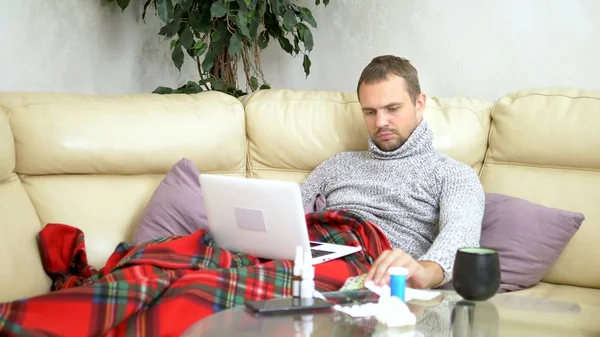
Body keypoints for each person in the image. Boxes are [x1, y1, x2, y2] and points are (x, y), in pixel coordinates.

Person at [299, 55, 485, 289]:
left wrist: (425, 272)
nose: (380, 122)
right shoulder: (337, 165)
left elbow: (461, 232)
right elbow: (286, 212)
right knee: (241, 266)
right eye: (370, 112)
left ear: (419, 103)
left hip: (373, 268)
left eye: (392, 108)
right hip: (314, 252)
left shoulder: (453, 174)